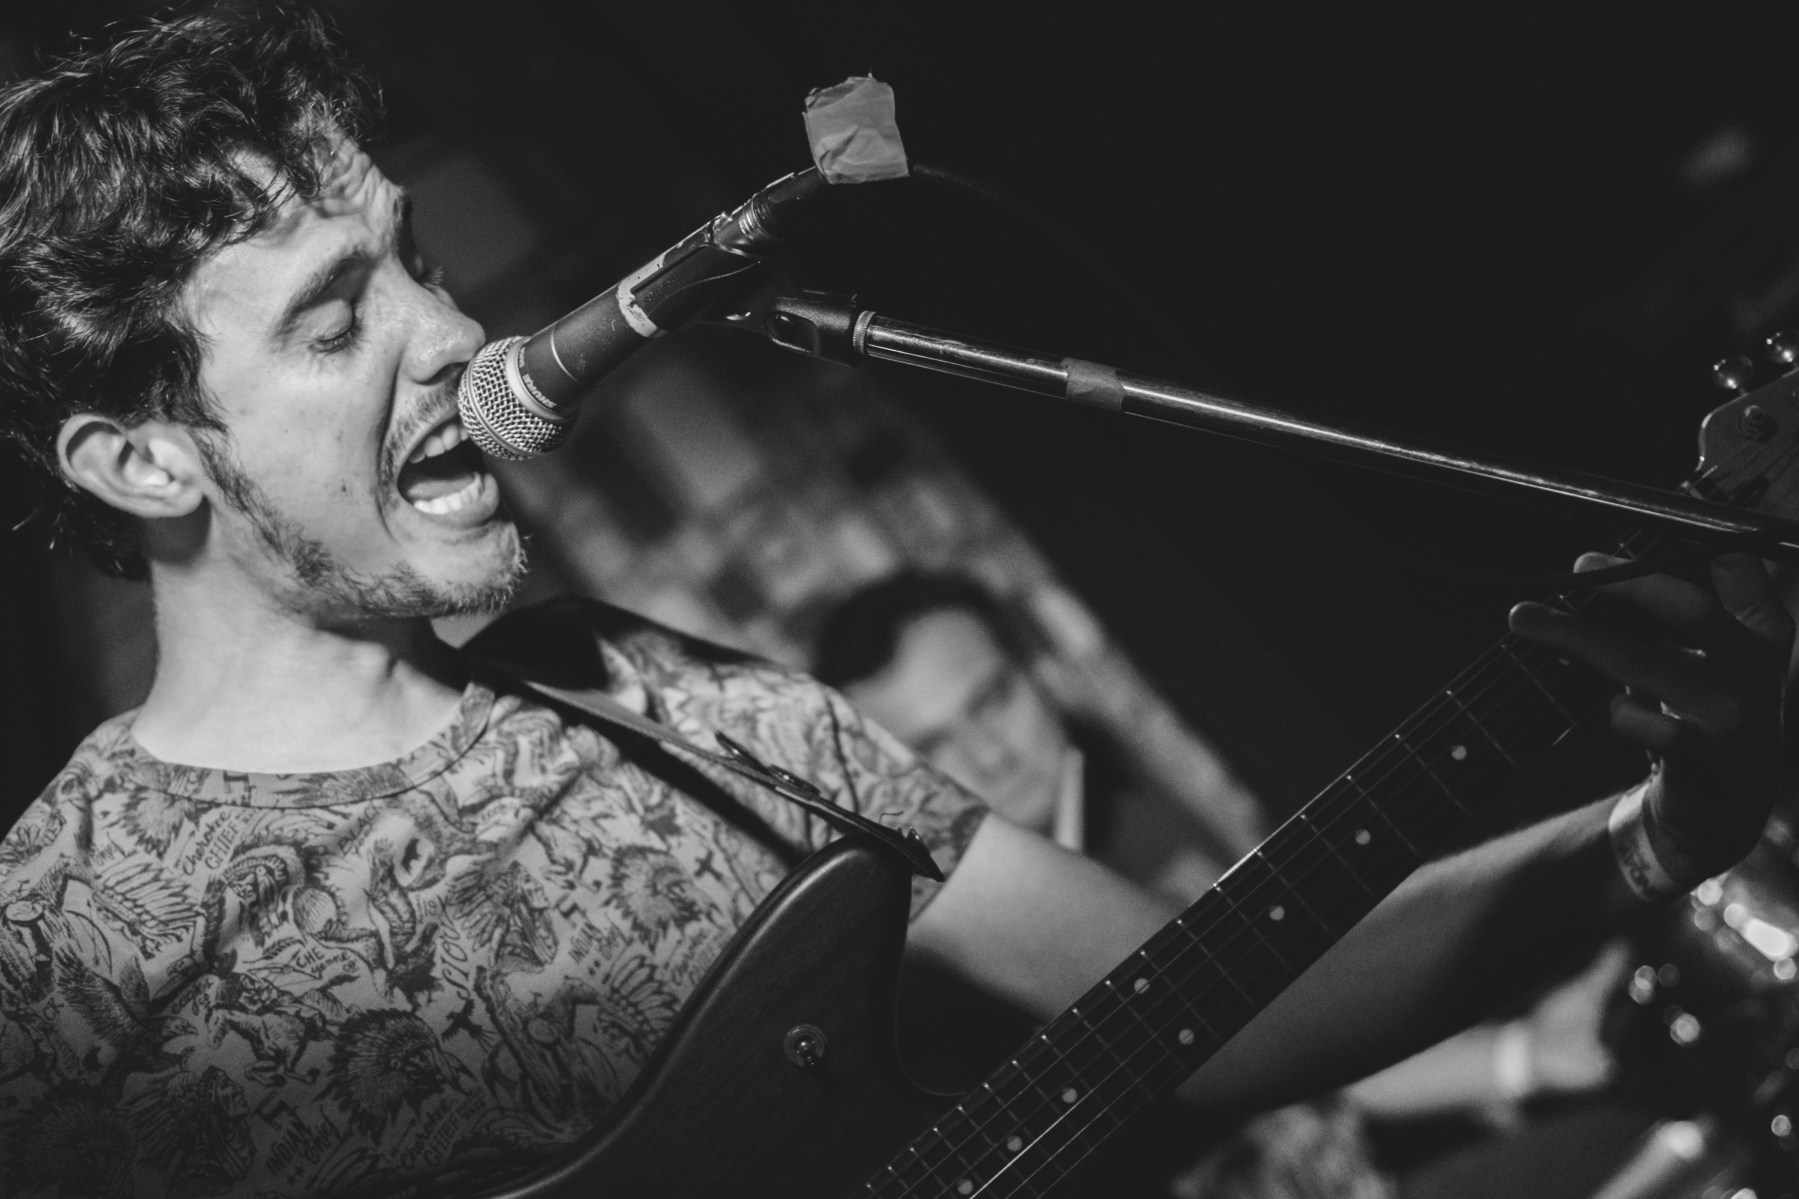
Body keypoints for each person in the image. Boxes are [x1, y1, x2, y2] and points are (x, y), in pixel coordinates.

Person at [0, 7, 1786, 1198]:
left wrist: (1653, 833)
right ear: (143, 460)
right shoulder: (60, 956)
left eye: (419, 259)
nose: (457, 335)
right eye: (335, 321)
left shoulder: (671, 705)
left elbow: (1213, 1005)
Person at [816, 572, 1632, 1194]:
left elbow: (1310, 1013)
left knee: (1642, 1132)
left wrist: (1528, 1055)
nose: (988, 755)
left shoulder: (1140, 802)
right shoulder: (931, 988)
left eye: (992, 699)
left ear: (1040, 670)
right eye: (936, 748)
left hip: (1356, 1172)